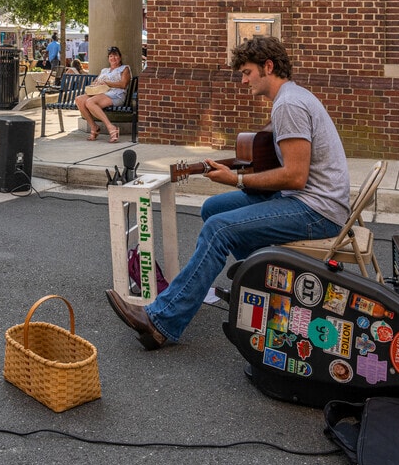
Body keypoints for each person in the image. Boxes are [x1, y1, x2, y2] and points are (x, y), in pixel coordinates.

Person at [105, 35, 350, 349]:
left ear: (268, 67)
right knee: (213, 209)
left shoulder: (288, 104)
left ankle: (161, 321)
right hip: (307, 200)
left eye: (247, 72)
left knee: (218, 230)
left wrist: (237, 180)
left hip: (318, 211)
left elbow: (295, 176)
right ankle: (262, 283)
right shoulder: (290, 98)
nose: (243, 79)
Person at [75, 45, 131, 143]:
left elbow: (123, 84)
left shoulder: (124, 68)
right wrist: (95, 84)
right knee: (79, 99)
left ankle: (111, 128)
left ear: (120, 57)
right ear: (108, 58)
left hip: (116, 95)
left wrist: (107, 83)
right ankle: (94, 127)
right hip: (100, 93)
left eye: (115, 55)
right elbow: (95, 82)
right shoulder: (104, 70)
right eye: (111, 56)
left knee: (90, 102)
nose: (113, 58)